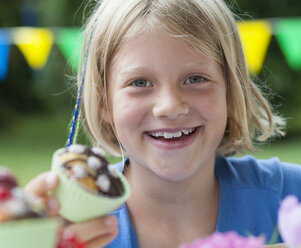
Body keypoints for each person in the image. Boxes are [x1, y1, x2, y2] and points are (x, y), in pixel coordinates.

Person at [25, 0, 301, 247]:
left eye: (195, 79)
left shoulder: (291, 198)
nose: (169, 107)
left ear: (231, 90)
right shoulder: (69, 226)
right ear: (103, 103)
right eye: (140, 83)